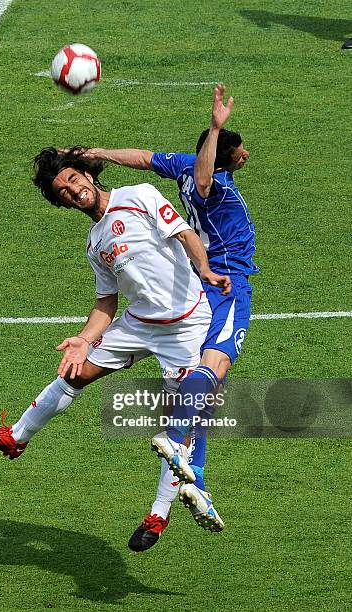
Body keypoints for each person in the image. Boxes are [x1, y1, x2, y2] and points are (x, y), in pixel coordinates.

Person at [0, 147, 231, 539]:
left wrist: (205, 268)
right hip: (139, 323)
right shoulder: (95, 243)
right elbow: (106, 303)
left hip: (186, 325)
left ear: (88, 175)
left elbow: (185, 233)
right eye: (63, 192)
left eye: (73, 180)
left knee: (180, 424)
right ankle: (16, 437)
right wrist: (84, 340)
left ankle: (158, 514)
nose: (73, 191)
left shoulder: (139, 196)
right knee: (76, 371)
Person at [85, 85, 259, 551]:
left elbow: (143, 157)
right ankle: (177, 437)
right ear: (221, 156)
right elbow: (203, 182)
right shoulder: (212, 182)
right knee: (214, 368)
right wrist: (218, 126)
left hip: (195, 288)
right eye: (239, 150)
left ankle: (195, 474)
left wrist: (100, 151)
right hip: (226, 283)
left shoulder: (182, 164)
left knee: (205, 385)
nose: (247, 155)